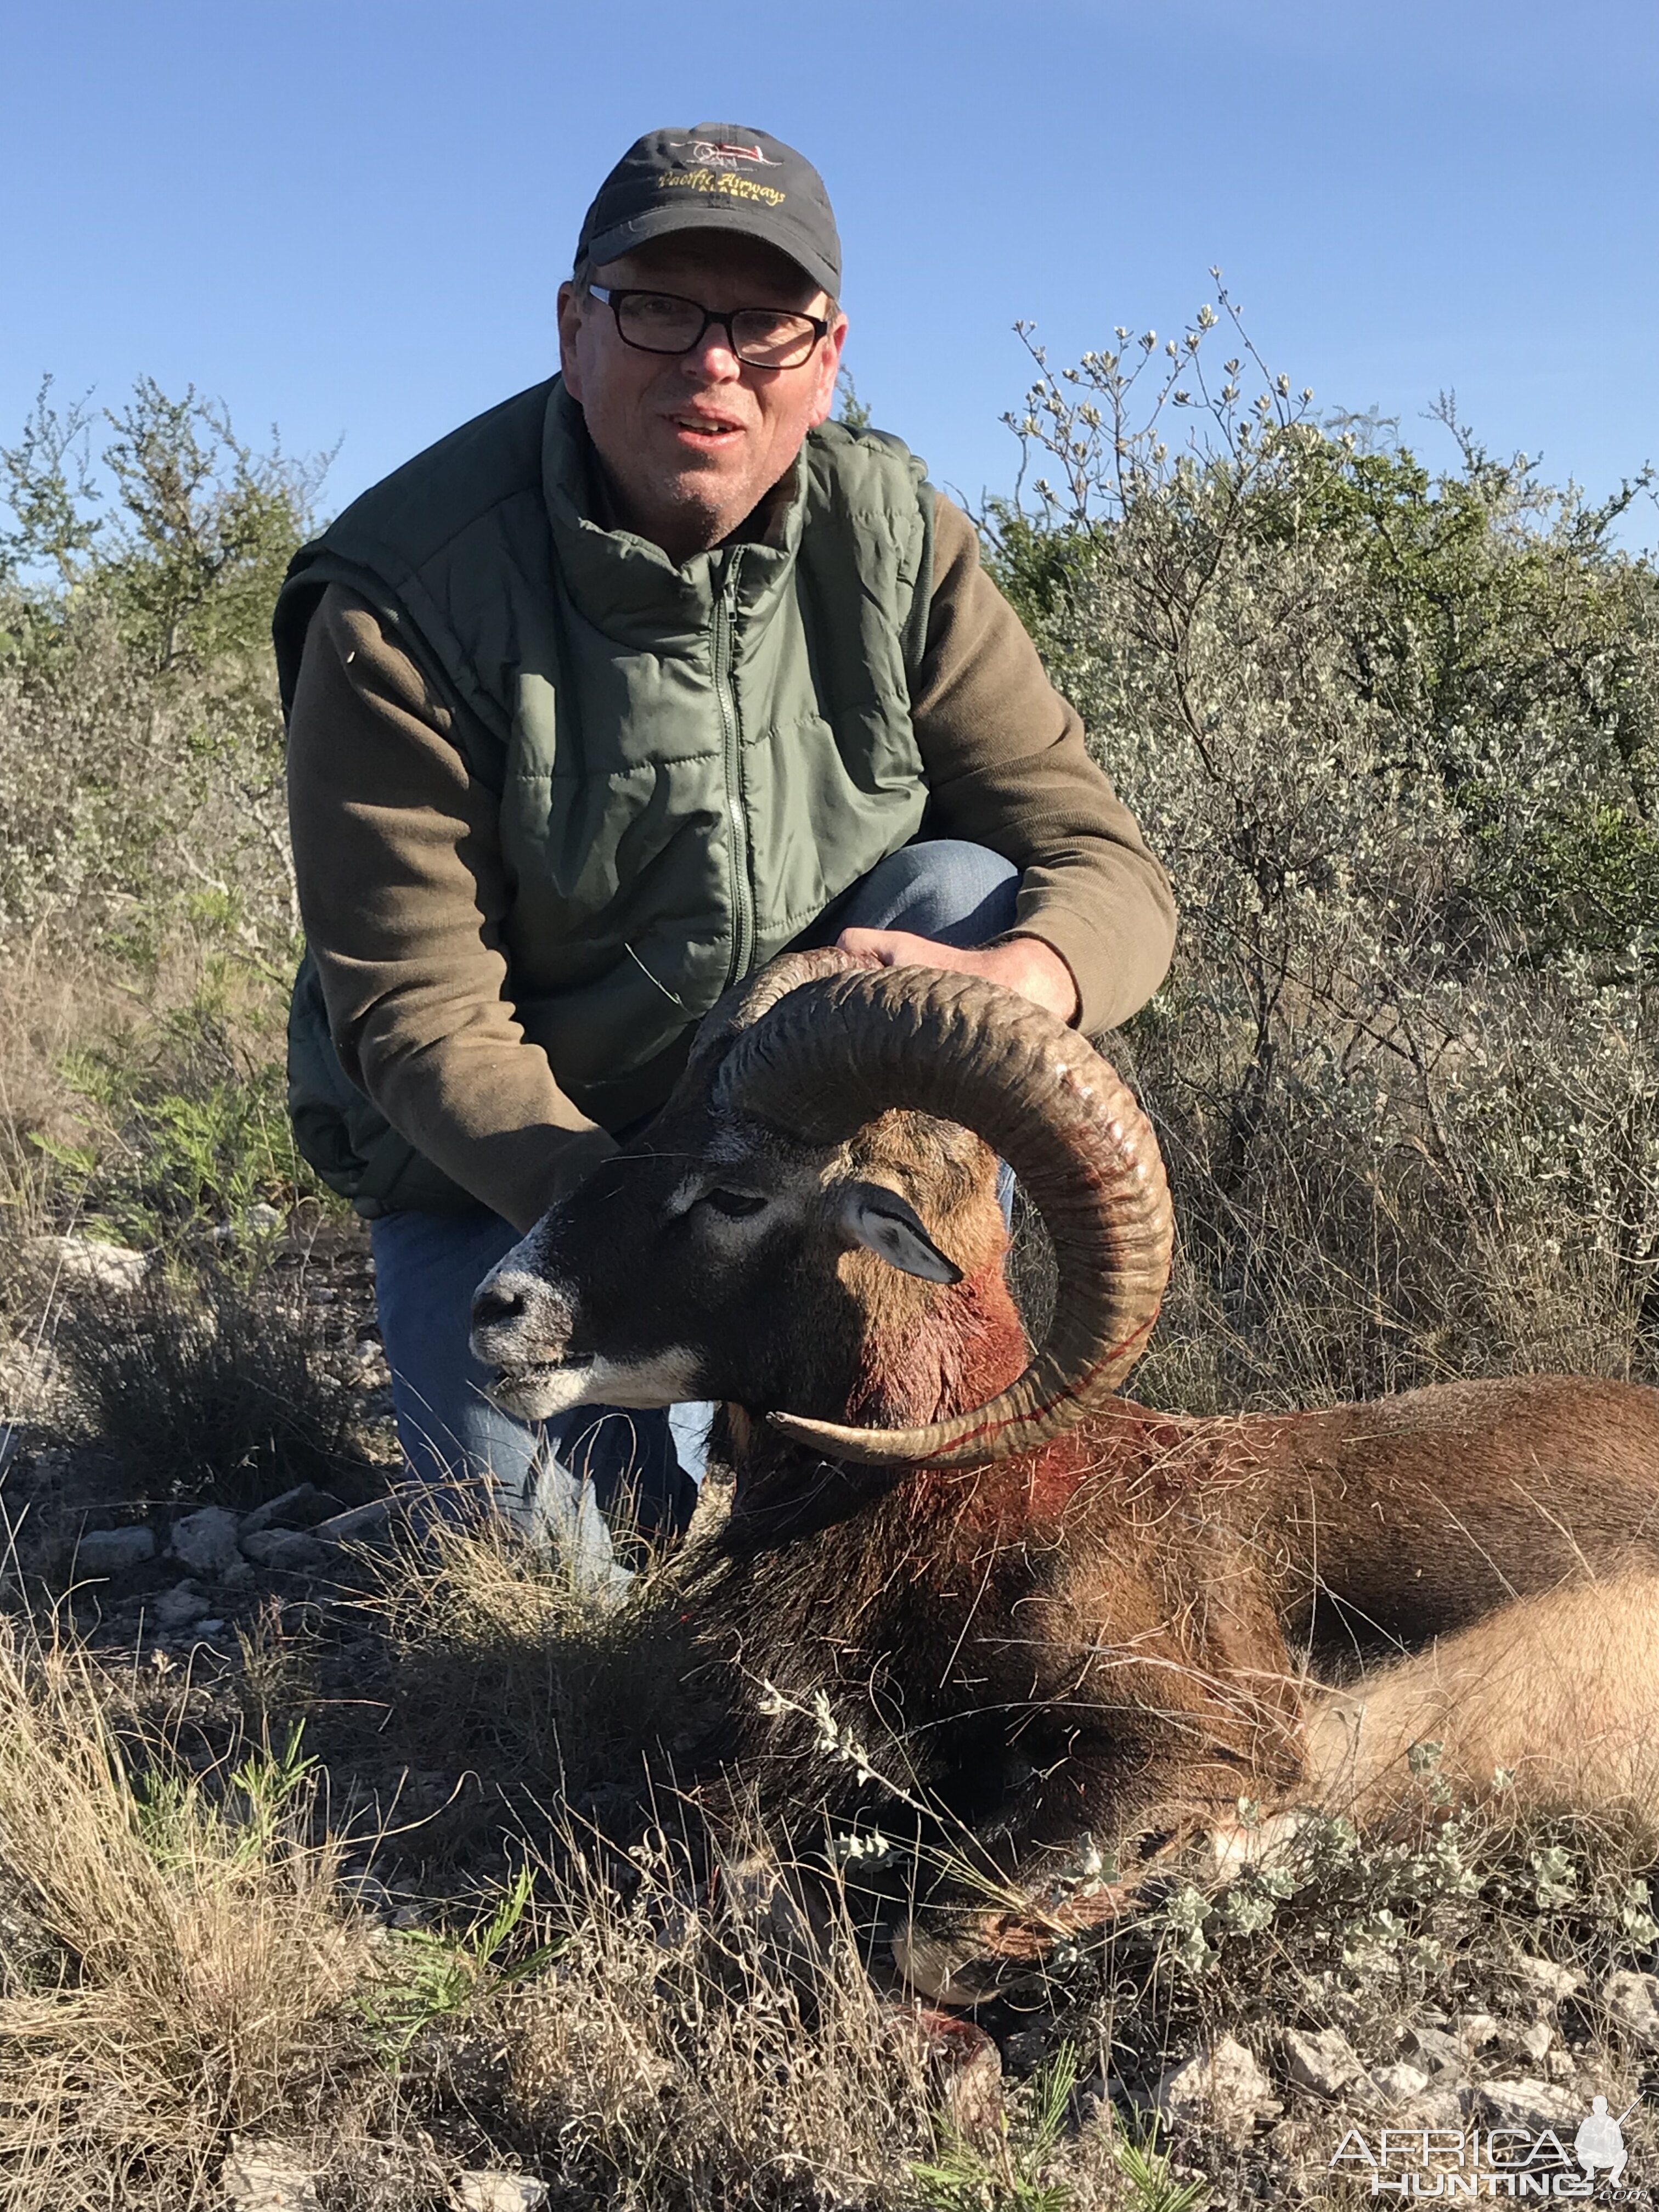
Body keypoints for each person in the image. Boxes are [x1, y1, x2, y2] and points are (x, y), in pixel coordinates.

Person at [276, 122, 1176, 1562]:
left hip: (790, 1150)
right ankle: (699, 1392)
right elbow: (415, 1011)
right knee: (558, 1587)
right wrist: (641, 1248)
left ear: (826, 358)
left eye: (765, 324)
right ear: (575, 330)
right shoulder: (401, 602)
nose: (714, 364)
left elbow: (1101, 865)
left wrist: (1032, 985)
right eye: (660, 310)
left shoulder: (898, 540)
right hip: (522, 1163)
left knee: (971, 896)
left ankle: (900, 1388)